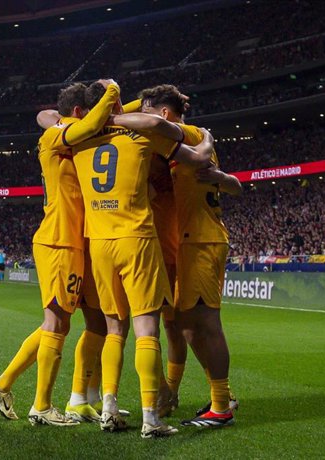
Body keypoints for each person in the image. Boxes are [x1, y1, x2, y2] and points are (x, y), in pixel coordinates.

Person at [72, 81, 214, 438]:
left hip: (99, 243)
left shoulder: (76, 138)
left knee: (114, 329)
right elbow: (197, 158)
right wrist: (208, 140)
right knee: (147, 329)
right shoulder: (140, 136)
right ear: (116, 103)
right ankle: (151, 418)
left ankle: (108, 407)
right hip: (136, 238)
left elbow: (49, 117)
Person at [0, 80, 119, 427]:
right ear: (76, 113)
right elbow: (81, 123)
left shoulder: (64, 131)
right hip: (59, 240)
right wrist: (114, 92)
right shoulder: (58, 134)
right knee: (56, 322)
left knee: (58, 322)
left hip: (73, 240)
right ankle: (41, 405)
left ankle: (3, 385)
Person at [139, 84, 242, 427]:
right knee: (185, 325)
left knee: (205, 323)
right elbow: (232, 184)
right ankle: (219, 398)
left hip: (202, 241)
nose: (145, 116)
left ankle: (222, 406)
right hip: (193, 240)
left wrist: (111, 113)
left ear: (165, 113)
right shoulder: (189, 145)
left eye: (148, 109)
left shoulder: (193, 133)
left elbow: (152, 126)